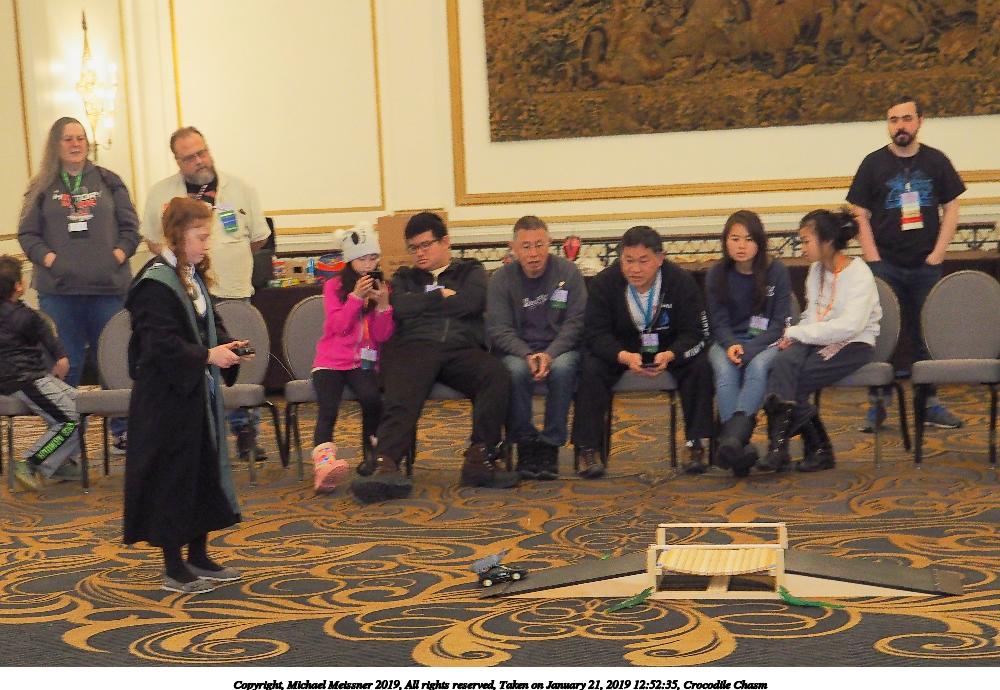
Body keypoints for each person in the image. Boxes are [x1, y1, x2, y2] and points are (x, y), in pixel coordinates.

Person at [124, 196, 252, 593]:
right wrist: (208, 356)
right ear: (178, 235)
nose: (205, 244)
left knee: (202, 472)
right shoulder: (155, 284)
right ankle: (173, 566)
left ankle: (198, 555)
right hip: (165, 399)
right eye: (200, 236)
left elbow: (209, 324)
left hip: (195, 393)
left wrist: (228, 346)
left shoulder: (190, 278)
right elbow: (159, 345)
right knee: (173, 478)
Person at [350, 212, 515, 503]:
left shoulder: (470, 271)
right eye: (413, 248)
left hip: (460, 348)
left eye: (426, 245)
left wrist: (424, 304)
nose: (420, 253)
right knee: (402, 384)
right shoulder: (404, 277)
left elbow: (472, 303)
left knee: (496, 374)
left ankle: (480, 458)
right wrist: (441, 296)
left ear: (446, 242)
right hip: (416, 346)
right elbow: (400, 307)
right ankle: (386, 464)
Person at [141, 126, 272, 461]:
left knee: (235, 358)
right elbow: (154, 240)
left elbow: (258, 238)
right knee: (195, 360)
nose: (198, 161)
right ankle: (204, 433)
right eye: (189, 157)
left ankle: (245, 432)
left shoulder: (240, 189)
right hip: (187, 293)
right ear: (177, 161)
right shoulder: (160, 194)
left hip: (232, 290)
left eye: (202, 152)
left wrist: (222, 255)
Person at [17, 116, 140, 453]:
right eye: (68, 138)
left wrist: (115, 256)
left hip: (108, 292)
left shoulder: (109, 181)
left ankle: (122, 430)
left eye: (80, 138)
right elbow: (27, 234)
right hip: (60, 295)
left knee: (113, 363)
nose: (75, 144)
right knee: (64, 367)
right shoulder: (42, 186)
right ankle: (65, 444)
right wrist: (52, 261)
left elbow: (131, 229)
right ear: (55, 145)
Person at [847, 96, 966, 431]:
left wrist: (938, 254)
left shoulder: (936, 161)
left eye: (906, 119)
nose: (900, 126)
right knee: (881, 335)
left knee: (925, 334)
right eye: (894, 120)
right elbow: (859, 213)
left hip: (925, 265)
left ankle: (929, 403)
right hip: (884, 265)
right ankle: (878, 404)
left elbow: (952, 207)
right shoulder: (872, 164)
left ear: (920, 121)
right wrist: (873, 258)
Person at [571, 225, 714, 477]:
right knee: (590, 368)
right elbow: (594, 333)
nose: (634, 269)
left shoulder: (681, 282)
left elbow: (695, 332)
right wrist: (622, 356)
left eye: (643, 261)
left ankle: (695, 444)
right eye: (628, 260)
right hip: (622, 350)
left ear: (660, 259)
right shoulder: (605, 283)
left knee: (699, 365)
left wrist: (672, 354)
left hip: (668, 348)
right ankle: (588, 449)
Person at [758, 209, 881, 473]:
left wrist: (797, 333)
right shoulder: (815, 270)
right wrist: (794, 336)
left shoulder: (859, 273)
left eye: (806, 241)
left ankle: (812, 448)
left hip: (853, 344)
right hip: (818, 338)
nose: (801, 247)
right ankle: (786, 450)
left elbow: (850, 326)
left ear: (827, 241)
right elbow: (812, 314)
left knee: (796, 380)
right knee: (783, 363)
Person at [486, 216, 586, 480]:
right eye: (526, 246)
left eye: (539, 245)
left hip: (559, 349)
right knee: (515, 370)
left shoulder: (568, 273)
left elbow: (576, 322)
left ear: (549, 243)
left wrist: (550, 354)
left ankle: (551, 444)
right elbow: (499, 329)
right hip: (518, 351)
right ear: (513, 248)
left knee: (563, 368)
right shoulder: (501, 279)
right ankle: (526, 443)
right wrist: (526, 354)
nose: (533, 254)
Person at [706, 211, 791, 476]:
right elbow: (718, 321)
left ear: (760, 242)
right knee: (724, 370)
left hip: (767, 342)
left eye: (749, 239)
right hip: (727, 341)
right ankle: (738, 448)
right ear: (725, 241)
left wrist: (751, 350)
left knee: (757, 367)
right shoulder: (717, 273)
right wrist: (731, 345)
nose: (741, 246)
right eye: (735, 239)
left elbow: (779, 323)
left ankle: (732, 440)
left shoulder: (776, 271)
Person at [311, 223, 394, 491]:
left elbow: (382, 335)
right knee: (328, 406)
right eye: (362, 259)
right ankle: (324, 465)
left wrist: (383, 305)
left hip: (362, 362)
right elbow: (338, 327)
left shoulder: (383, 287)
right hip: (330, 362)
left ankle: (372, 455)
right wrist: (356, 298)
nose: (368, 265)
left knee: (372, 399)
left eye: (373, 258)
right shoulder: (334, 287)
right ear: (349, 260)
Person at [0, 255, 80, 490]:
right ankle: (32, 462)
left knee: (81, 407)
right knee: (71, 420)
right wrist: (61, 358)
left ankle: (56, 463)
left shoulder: (19, 313)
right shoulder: (26, 316)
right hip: (27, 379)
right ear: (19, 286)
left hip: (22, 378)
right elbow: (48, 335)